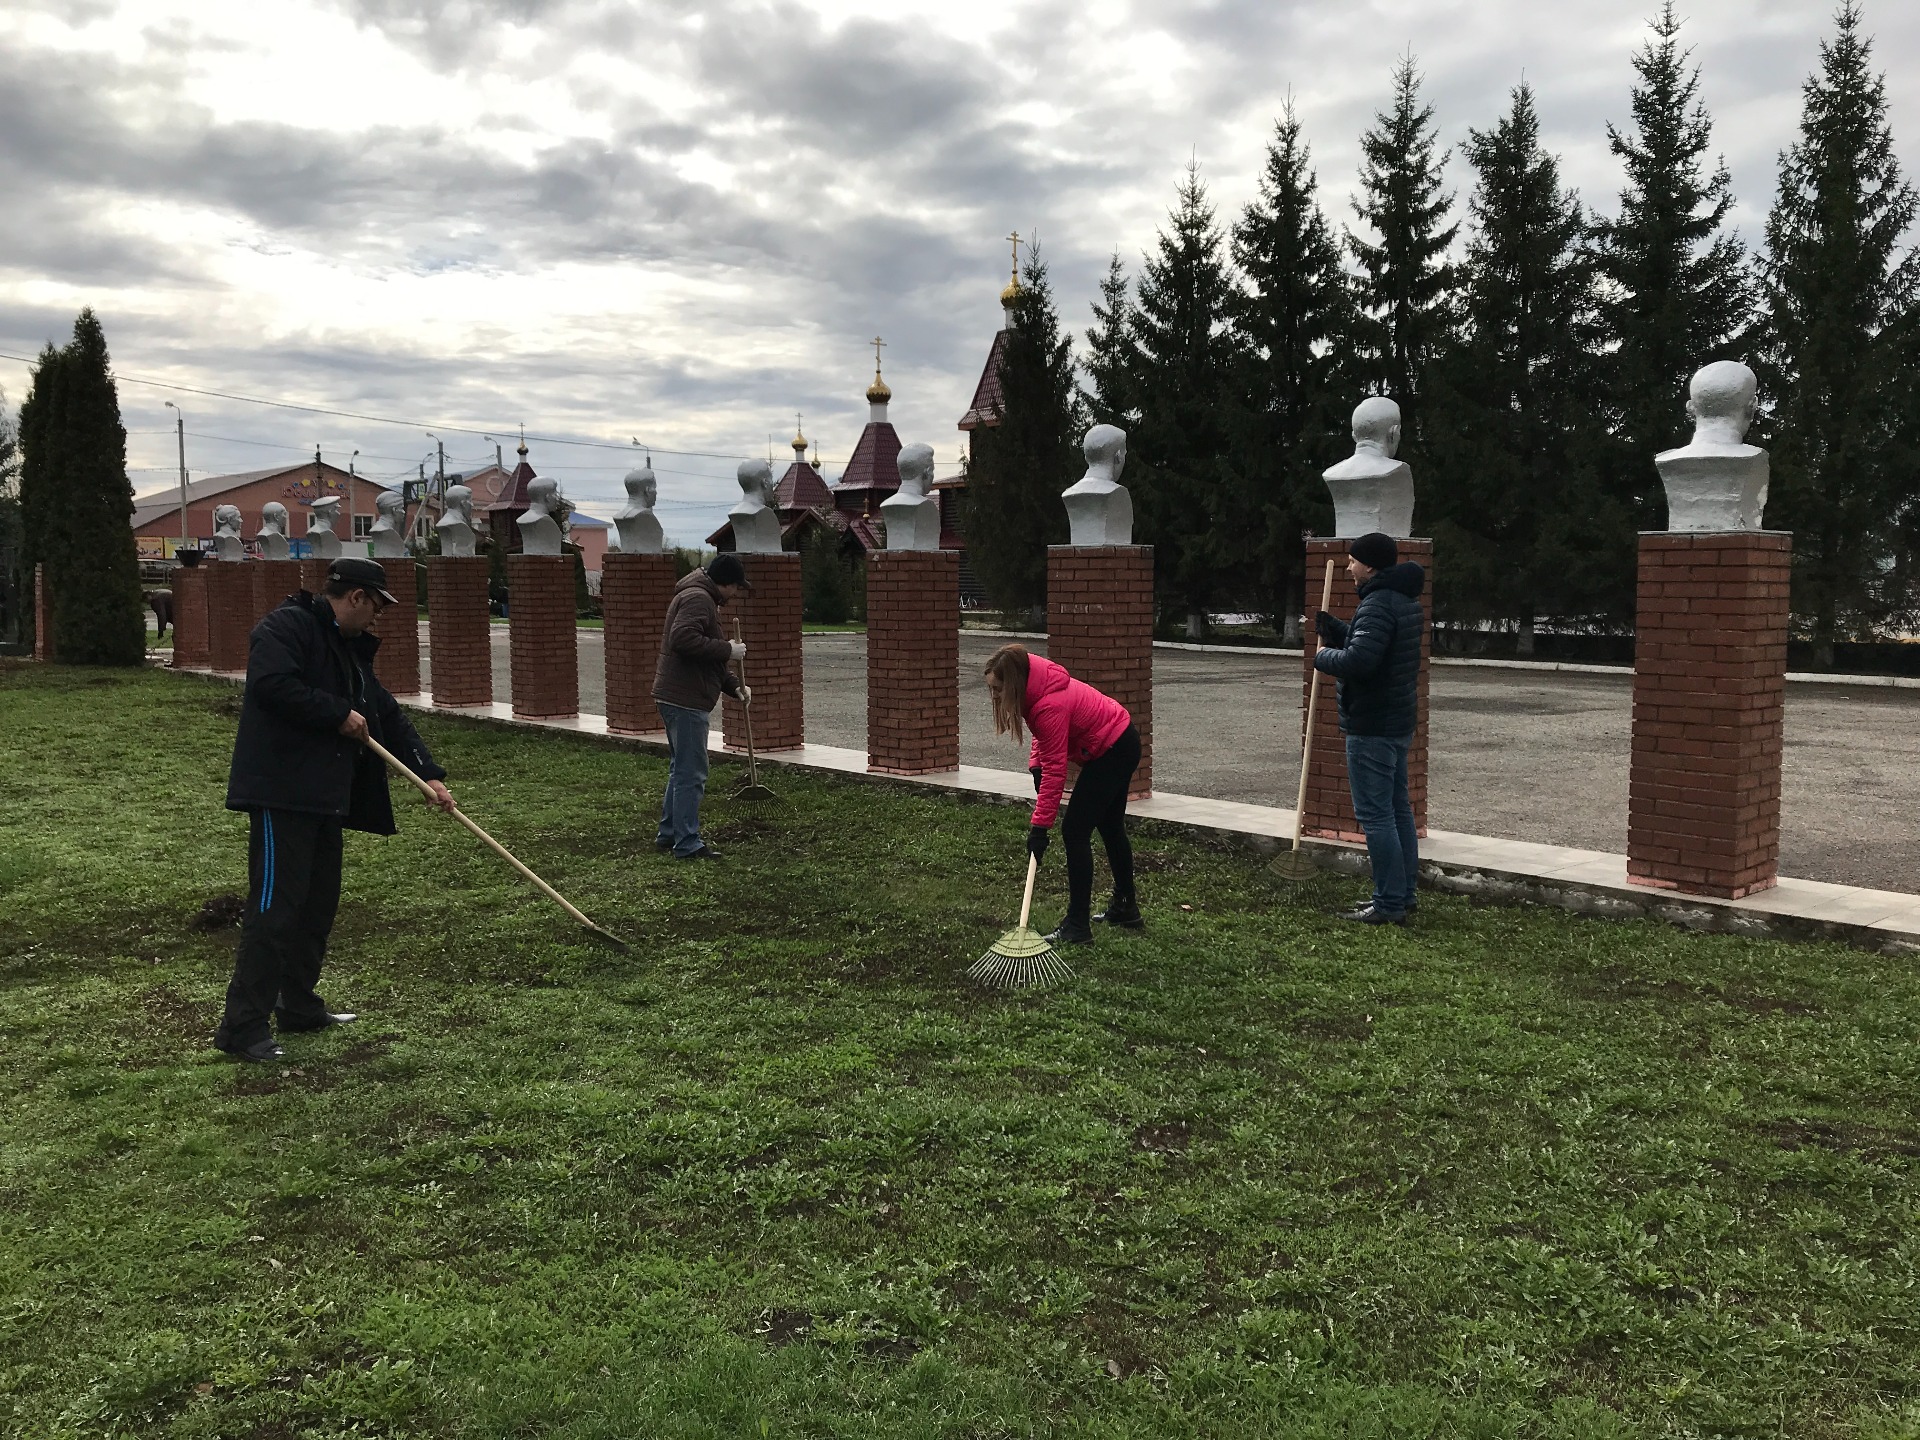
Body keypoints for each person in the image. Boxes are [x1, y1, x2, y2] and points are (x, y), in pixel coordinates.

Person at [214, 559, 455, 1063]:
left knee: (316, 906)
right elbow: (270, 685)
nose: (379, 620)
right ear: (357, 597)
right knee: (274, 911)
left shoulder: (348, 652)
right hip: (283, 795)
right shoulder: (287, 627)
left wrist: (429, 774)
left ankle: (299, 1006)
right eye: (378, 608)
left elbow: (385, 713)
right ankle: (242, 1028)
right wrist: (335, 713)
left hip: (325, 798)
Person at [983, 644, 1142, 944]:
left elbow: (1056, 769)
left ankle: (1078, 926)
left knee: (1074, 831)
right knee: (1109, 826)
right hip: (1120, 739)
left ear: (1015, 683)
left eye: (998, 689)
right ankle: (1126, 908)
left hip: (1114, 748)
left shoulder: (1048, 704)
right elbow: (1042, 738)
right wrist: (1035, 767)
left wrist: (1039, 828)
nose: (994, 696)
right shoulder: (1038, 689)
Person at [1313, 532, 1426, 925]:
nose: (1348, 567)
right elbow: (1377, 648)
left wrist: (1323, 656)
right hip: (1395, 721)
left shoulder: (1377, 603)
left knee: (1376, 816)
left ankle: (1389, 904)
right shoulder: (1402, 600)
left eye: (1353, 561)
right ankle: (1403, 895)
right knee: (1398, 811)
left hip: (1372, 725)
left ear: (1371, 566)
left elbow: (1361, 662)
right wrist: (1338, 629)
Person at [651, 554, 751, 859]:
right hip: (685, 699)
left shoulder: (699, 596)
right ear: (726, 583)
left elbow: (704, 659)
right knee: (691, 773)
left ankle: (669, 834)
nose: (735, 593)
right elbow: (683, 639)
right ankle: (687, 843)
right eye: (736, 587)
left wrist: (734, 686)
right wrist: (728, 650)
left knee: (680, 769)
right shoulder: (699, 599)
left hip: (677, 695)